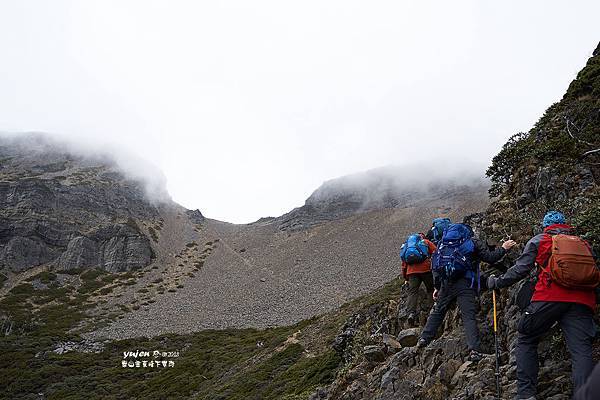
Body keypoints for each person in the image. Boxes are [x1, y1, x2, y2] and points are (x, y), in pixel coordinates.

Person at [487, 211, 598, 399]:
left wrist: (497, 282)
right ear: (565, 224)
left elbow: (520, 269)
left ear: (545, 226)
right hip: (582, 301)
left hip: (548, 298)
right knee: (581, 351)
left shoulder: (541, 240)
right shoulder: (583, 243)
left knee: (526, 338)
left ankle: (526, 394)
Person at [417, 223, 516, 362]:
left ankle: (423, 339)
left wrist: (437, 287)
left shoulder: (443, 244)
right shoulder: (472, 242)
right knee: (468, 316)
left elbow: (436, 266)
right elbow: (490, 257)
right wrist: (504, 248)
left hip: (446, 284)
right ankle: (474, 350)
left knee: (438, 311)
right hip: (466, 283)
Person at [400, 233, 436, 326]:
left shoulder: (407, 246)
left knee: (412, 292)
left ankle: (411, 313)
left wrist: (405, 277)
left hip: (411, 272)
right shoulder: (425, 242)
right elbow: (436, 252)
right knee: (430, 289)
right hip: (426, 269)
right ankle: (431, 310)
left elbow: (404, 263)